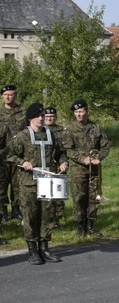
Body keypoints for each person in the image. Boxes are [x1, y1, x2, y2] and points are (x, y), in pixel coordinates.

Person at [5, 102, 68, 264]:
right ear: (30, 118)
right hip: (29, 183)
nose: (41, 119)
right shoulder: (22, 136)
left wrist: (63, 162)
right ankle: (32, 249)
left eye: (42, 116)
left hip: (47, 181)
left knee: (47, 215)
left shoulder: (50, 134)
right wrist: (22, 162)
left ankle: (45, 248)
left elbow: (61, 152)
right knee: (31, 215)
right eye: (38, 116)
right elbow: (9, 155)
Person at [63, 99, 110, 237]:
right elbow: (68, 150)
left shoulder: (96, 127)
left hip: (94, 170)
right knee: (79, 198)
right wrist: (82, 159)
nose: (79, 114)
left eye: (81, 111)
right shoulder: (69, 129)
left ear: (87, 111)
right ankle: (80, 226)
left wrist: (99, 157)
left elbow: (105, 145)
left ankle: (91, 226)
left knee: (93, 198)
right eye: (76, 112)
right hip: (77, 170)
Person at [0, 84, 26, 222]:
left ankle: (16, 209)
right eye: (5, 95)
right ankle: (2, 211)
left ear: (15, 95)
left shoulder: (23, 112)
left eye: (10, 94)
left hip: (18, 155)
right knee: (2, 185)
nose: (8, 97)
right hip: (2, 156)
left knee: (17, 185)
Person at [44, 107, 66, 227]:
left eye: (51, 116)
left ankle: (57, 219)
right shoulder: (38, 130)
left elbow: (63, 149)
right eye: (47, 117)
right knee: (45, 194)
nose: (49, 119)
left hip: (58, 165)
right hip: (43, 166)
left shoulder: (62, 131)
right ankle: (47, 220)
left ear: (56, 117)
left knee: (58, 193)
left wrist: (63, 161)